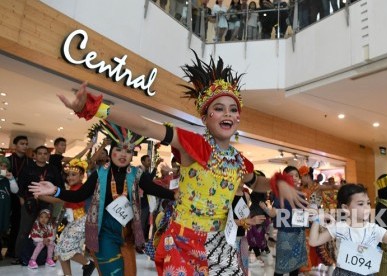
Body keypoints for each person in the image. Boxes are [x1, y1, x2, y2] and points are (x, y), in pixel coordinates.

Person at [45, 51, 305, 275]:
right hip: (184, 242)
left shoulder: (239, 161)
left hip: (221, 244)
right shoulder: (195, 145)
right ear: (206, 117)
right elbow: (147, 125)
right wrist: (94, 108)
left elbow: (253, 181)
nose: (228, 113)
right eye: (220, 108)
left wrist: (277, 183)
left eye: (233, 109)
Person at [29, 120, 176, 275]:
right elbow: (80, 194)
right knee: (112, 271)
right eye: (118, 150)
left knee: (129, 272)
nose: (123, 155)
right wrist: (56, 190)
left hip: (128, 231)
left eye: (128, 151)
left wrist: (174, 195)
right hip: (103, 229)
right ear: (111, 151)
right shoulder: (100, 173)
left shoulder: (137, 174)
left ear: (132, 155)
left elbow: (154, 189)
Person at [39, 159, 96, 276]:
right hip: (70, 222)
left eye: (73, 175)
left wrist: (39, 195)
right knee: (59, 249)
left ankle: (88, 263)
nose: (69, 177)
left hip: (80, 221)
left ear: (81, 176)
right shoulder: (70, 189)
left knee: (65, 249)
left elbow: (56, 200)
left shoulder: (81, 189)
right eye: (68, 175)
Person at [16, 145, 64, 265]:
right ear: (35, 155)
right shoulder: (28, 168)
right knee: (25, 230)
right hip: (30, 203)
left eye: (45, 153)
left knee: (47, 231)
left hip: (47, 204)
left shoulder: (53, 169)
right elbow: (20, 185)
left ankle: (45, 257)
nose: (42, 155)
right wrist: (22, 199)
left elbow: (59, 187)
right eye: (40, 153)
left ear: (48, 156)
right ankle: (19, 256)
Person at [261, 167, 308, 276]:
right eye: (291, 176)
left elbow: (304, 213)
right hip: (286, 235)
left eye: (297, 175)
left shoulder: (300, 194)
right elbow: (274, 213)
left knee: (295, 266)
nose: (295, 178)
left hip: (299, 234)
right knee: (281, 266)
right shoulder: (281, 195)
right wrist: (265, 209)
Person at [6, 135, 32, 262]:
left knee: (18, 224)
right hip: (7, 195)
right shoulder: (7, 160)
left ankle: (14, 251)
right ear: (15, 145)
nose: (25, 146)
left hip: (22, 197)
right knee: (4, 222)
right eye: (22, 143)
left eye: (26, 144)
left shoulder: (30, 162)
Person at [0, 156, 19, 260]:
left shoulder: (8, 179)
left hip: (4, 210)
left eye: (5, 166)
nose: (3, 168)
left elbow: (15, 191)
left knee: (1, 232)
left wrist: (11, 179)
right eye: (1, 166)